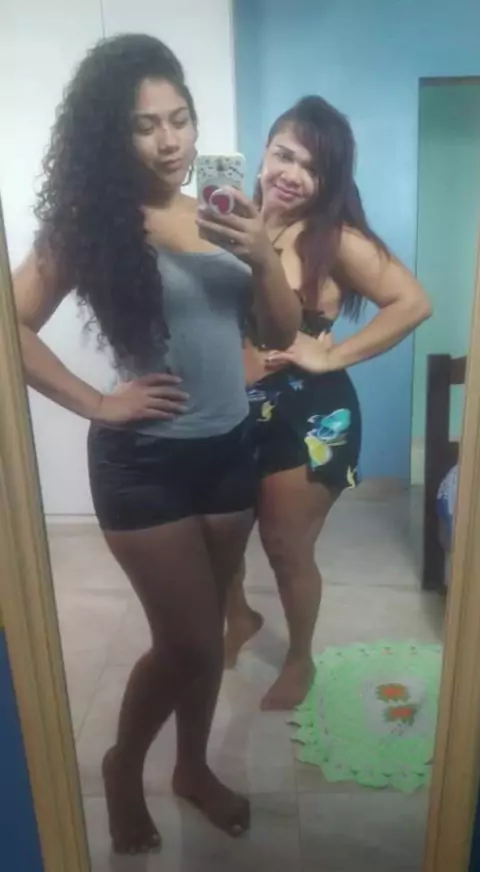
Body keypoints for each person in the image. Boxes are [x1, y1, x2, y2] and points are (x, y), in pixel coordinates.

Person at [13, 34, 300, 854]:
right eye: (146, 126)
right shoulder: (91, 224)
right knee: (188, 641)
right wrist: (98, 401)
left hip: (228, 450)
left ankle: (192, 769)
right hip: (144, 464)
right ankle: (122, 765)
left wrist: (263, 257)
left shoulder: (222, 212)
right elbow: (12, 325)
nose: (170, 140)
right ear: (114, 133)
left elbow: (279, 334)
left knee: (207, 641)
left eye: (180, 119)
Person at [224, 96, 432, 711]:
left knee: (286, 548)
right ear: (263, 153)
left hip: (308, 417)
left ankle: (299, 657)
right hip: (230, 410)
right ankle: (239, 619)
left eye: (311, 167)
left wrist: (332, 355)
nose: (292, 174)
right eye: (284, 155)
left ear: (329, 180)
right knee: (221, 536)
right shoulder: (232, 220)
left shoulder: (333, 237)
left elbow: (413, 303)